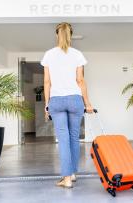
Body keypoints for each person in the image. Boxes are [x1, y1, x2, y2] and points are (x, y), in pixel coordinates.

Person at [41, 22, 93, 188]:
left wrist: (47, 105)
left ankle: (67, 179)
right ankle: (72, 173)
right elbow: (80, 80)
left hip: (56, 100)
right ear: (70, 35)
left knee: (63, 139)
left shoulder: (49, 54)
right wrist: (88, 103)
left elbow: (47, 82)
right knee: (73, 138)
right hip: (75, 100)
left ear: (57, 35)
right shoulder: (77, 54)